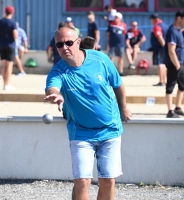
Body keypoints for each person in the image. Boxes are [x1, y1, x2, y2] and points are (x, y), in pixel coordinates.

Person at [44, 26, 131, 200]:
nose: (65, 47)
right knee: (82, 181)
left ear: (78, 42)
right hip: (81, 132)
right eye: (60, 45)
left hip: (110, 129)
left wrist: (123, 108)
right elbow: (52, 87)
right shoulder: (57, 71)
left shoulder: (100, 59)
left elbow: (118, 84)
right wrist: (56, 95)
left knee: (107, 181)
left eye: (69, 43)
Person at [163, 10, 184, 118]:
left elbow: (178, 46)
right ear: (179, 18)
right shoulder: (172, 31)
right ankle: (170, 111)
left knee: (183, 85)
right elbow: (171, 50)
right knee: (170, 86)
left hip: (180, 63)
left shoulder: (179, 31)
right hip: (174, 64)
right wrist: (177, 65)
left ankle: (178, 108)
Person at [0, 6, 18, 91]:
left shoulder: (0, 21)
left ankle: (4, 84)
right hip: (10, 45)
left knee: (3, 65)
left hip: (1, 45)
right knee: (9, 65)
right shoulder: (12, 23)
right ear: (12, 12)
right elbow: (15, 35)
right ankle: (7, 84)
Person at [150, 14, 168, 86]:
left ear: (154, 19)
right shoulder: (165, 25)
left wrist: (164, 47)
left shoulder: (157, 26)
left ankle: (161, 81)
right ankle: (164, 80)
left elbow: (159, 37)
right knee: (163, 64)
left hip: (159, 48)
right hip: (163, 48)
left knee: (160, 64)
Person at [107, 11, 127, 76]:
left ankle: (121, 71)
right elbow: (108, 34)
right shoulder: (111, 24)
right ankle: (111, 72)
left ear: (120, 18)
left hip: (120, 44)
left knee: (120, 57)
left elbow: (124, 34)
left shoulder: (123, 25)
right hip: (112, 43)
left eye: (117, 17)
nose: (115, 18)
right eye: (115, 17)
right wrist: (108, 43)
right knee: (111, 58)